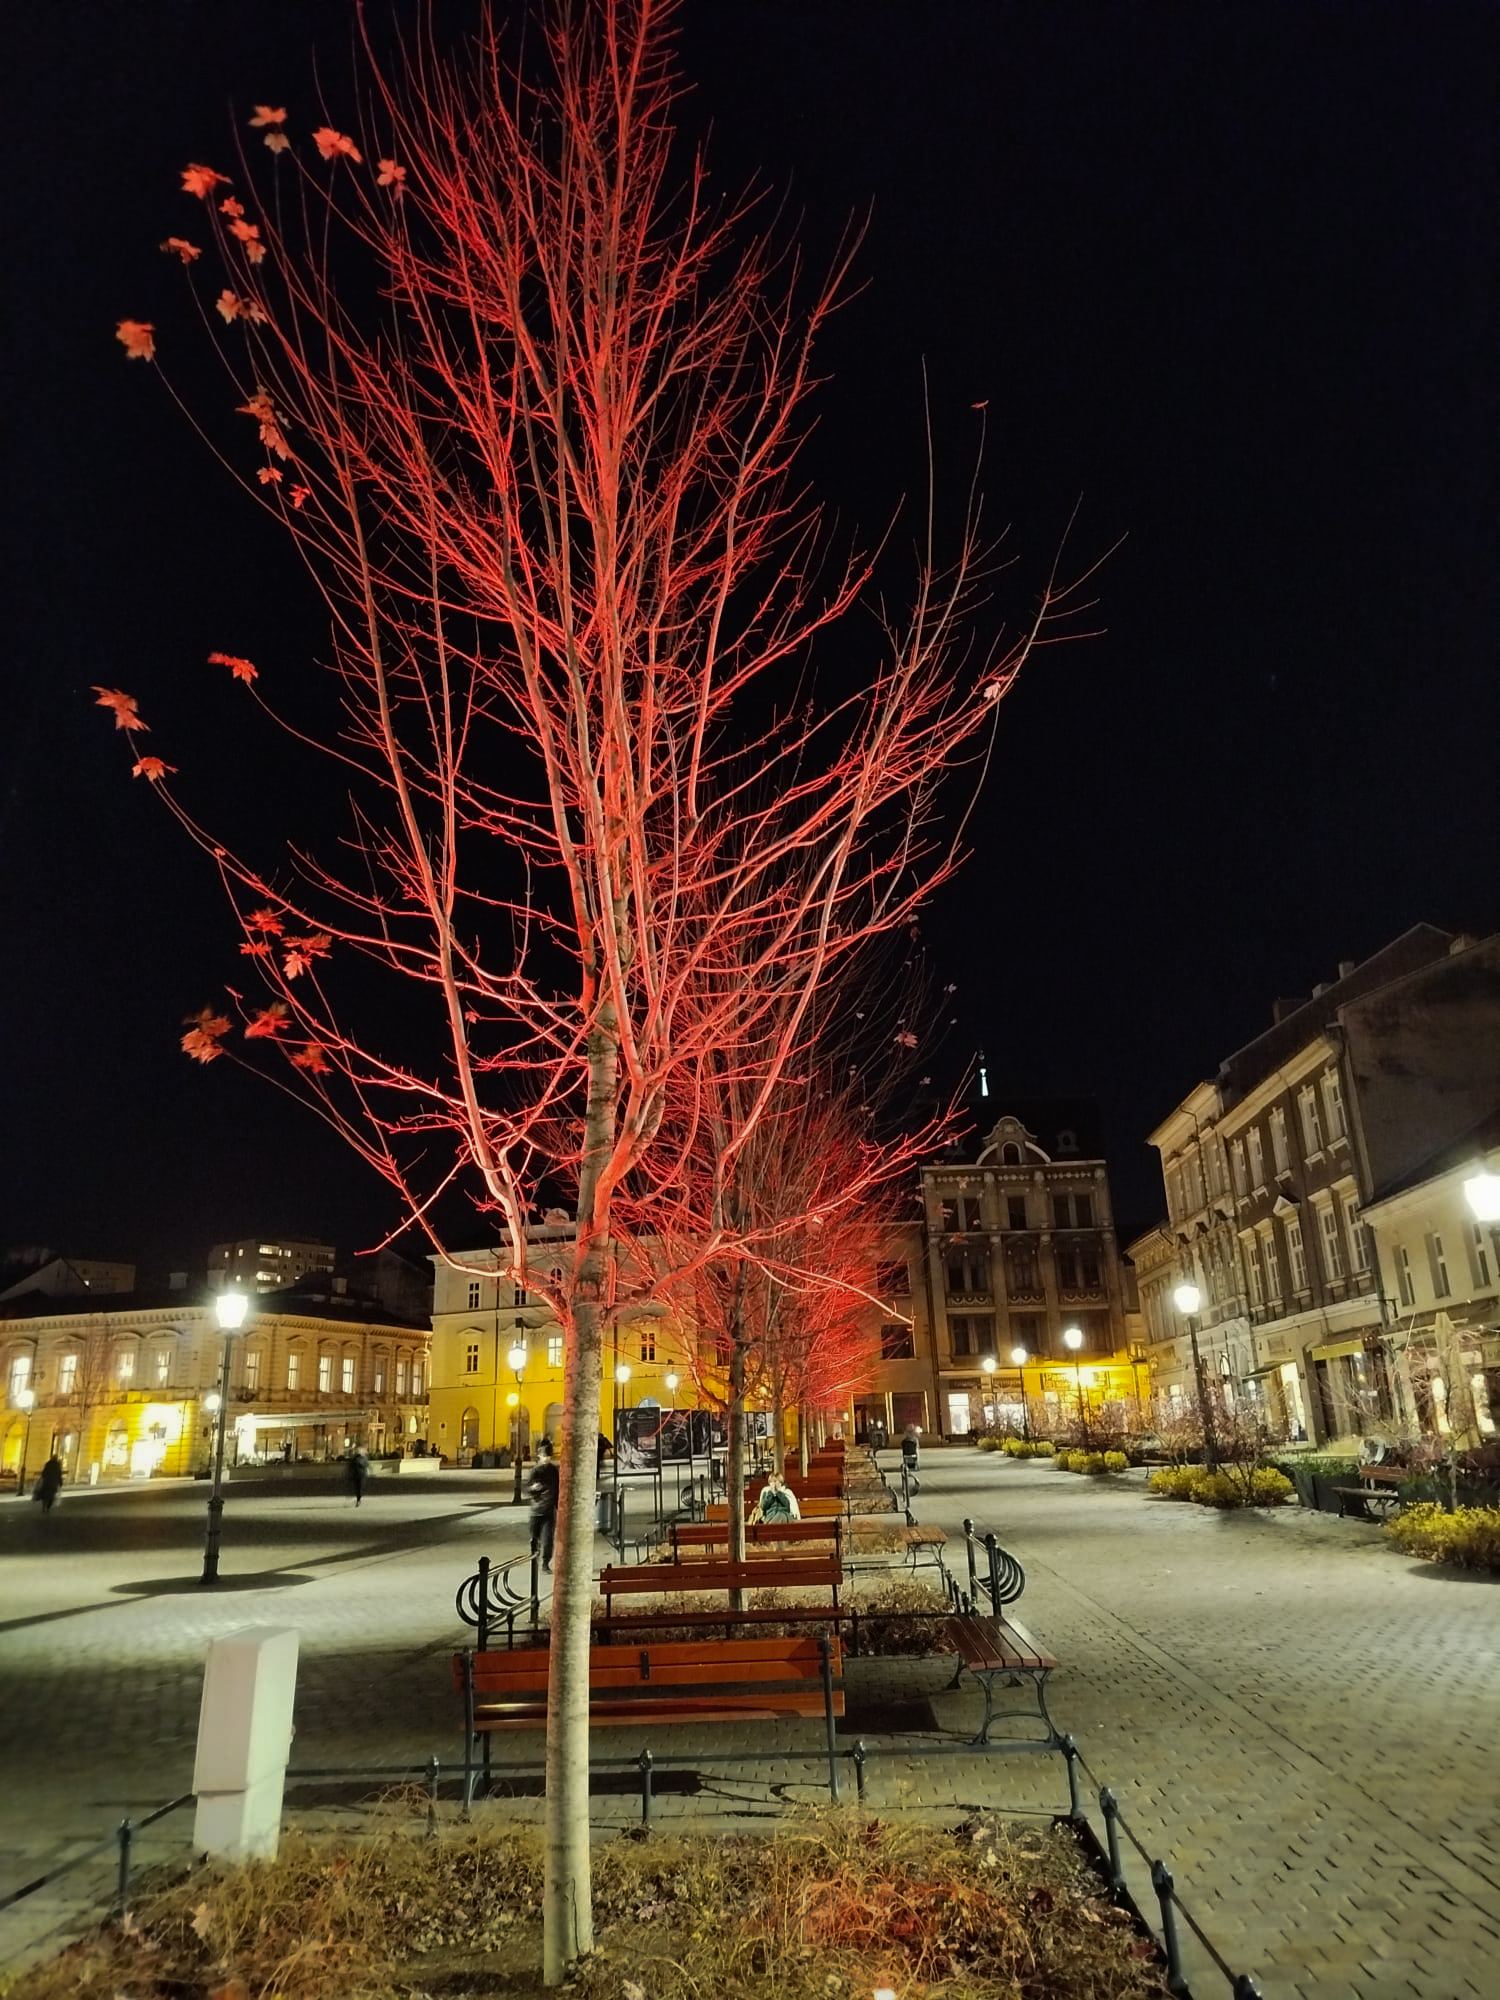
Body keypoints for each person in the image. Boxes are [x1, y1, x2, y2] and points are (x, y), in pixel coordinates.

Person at [528, 1439, 560, 1569]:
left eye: (548, 1456)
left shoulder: (553, 1471)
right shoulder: (535, 1471)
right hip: (536, 1510)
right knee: (534, 1539)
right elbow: (528, 1488)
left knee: (547, 1539)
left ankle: (545, 1563)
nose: (546, 1459)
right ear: (539, 1456)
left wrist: (558, 1506)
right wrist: (534, 1489)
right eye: (544, 1456)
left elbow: (558, 1488)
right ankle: (533, 1559)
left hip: (548, 1510)